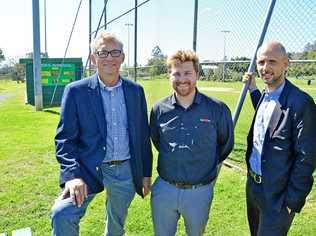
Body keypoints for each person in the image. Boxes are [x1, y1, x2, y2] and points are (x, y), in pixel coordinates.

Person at [50, 32, 152, 236]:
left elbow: (142, 136)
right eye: (103, 53)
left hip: (125, 170)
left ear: (123, 57)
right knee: (62, 214)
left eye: (115, 52)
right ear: (93, 57)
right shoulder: (75, 91)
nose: (109, 58)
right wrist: (73, 176)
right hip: (88, 170)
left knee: (115, 227)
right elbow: (65, 139)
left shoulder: (135, 91)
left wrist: (145, 173)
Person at [150, 49, 234, 236]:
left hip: (199, 192)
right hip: (165, 189)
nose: (182, 79)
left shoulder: (217, 109)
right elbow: (157, 141)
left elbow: (225, 145)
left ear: (196, 73)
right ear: (169, 76)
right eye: (176, 73)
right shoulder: (159, 109)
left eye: (187, 73)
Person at [243, 41, 316, 236]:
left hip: (278, 197)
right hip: (253, 188)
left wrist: (293, 201)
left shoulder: (301, 102)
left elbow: (307, 157)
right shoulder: (265, 97)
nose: (265, 68)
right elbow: (270, 119)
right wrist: (252, 89)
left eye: (272, 61)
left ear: (286, 64)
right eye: (261, 62)